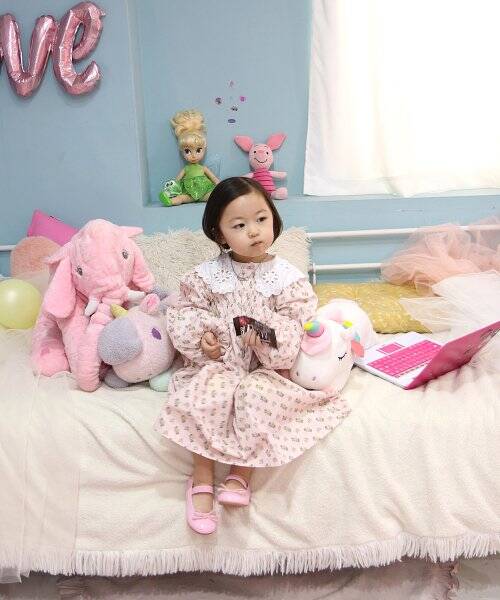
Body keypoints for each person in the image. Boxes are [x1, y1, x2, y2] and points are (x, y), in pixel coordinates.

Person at [155, 177, 349, 534]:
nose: (254, 231)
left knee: (257, 397)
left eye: (261, 219)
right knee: (205, 395)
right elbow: (184, 312)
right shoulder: (206, 276)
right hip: (219, 364)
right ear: (219, 233)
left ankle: (240, 474)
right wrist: (207, 339)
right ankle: (201, 476)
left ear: (274, 217)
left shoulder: (287, 278)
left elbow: (296, 327)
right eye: (239, 225)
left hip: (266, 370)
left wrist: (264, 337)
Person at [167, 109, 219, 206]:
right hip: (189, 193)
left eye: (198, 150)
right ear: (182, 151)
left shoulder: (203, 168)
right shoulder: (186, 169)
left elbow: (213, 177)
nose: (193, 155)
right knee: (182, 198)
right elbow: (177, 180)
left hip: (204, 192)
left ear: (204, 149)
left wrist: (219, 184)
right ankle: (171, 201)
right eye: (187, 151)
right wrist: (171, 190)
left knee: (213, 195)